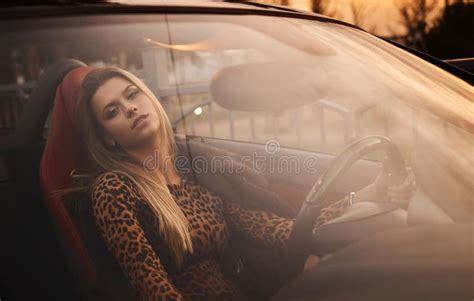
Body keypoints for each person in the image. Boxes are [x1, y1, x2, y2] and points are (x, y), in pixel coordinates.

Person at [71, 66, 415, 301]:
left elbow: (277, 229)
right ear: (108, 139)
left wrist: (363, 197)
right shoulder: (114, 189)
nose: (130, 108)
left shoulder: (197, 172)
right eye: (112, 111)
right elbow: (152, 288)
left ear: (148, 98)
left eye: (132, 95)